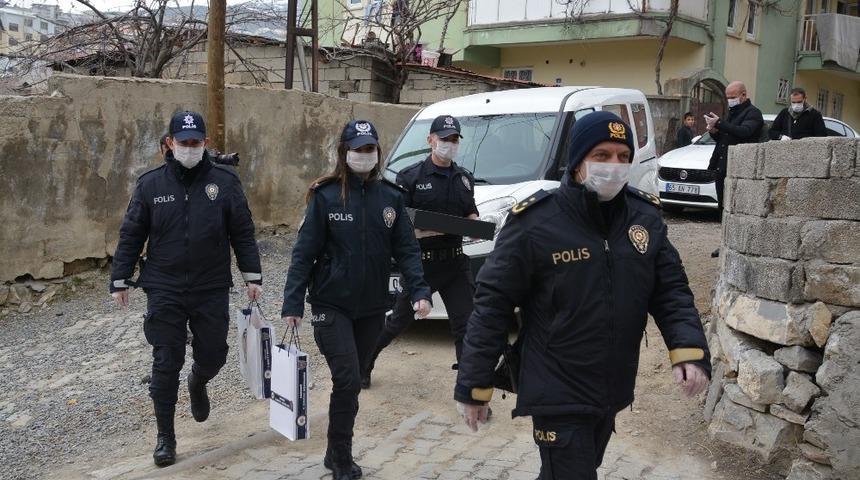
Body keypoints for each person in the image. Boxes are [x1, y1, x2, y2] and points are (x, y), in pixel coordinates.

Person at [453, 111, 711, 480]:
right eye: (601, 155)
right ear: (577, 162)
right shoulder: (535, 223)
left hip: (612, 385)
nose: (614, 166)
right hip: (555, 387)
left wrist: (688, 350)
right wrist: (473, 384)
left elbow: (671, 291)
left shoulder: (643, 218)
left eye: (623, 156)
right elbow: (492, 305)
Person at [281, 120, 433, 480]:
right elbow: (304, 254)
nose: (365, 155)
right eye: (358, 149)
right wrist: (292, 303)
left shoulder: (391, 198)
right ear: (344, 153)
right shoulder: (325, 197)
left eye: (370, 149)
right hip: (331, 305)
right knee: (348, 378)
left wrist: (420, 290)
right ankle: (342, 457)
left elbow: (407, 250)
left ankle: (333, 451)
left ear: (378, 152)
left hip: (372, 307)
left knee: (350, 382)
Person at [110, 111, 263, 467]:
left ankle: (198, 381)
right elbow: (131, 233)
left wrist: (252, 275)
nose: (190, 148)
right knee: (166, 360)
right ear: (170, 143)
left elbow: (242, 231)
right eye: (184, 142)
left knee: (215, 354)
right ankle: (166, 437)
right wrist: (120, 278)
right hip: (164, 285)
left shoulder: (225, 182)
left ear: (205, 143)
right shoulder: (151, 185)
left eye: (196, 142)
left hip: (211, 284)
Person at [363, 115, 478, 389]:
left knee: (467, 326)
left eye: (454, 139)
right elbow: (397, 225)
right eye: (444, 139)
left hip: (455, 263)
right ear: (430, 140)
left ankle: (469, 387)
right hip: (422, 265)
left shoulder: (464, 178)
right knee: (397, 322)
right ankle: (364, 363)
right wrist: (431, 230)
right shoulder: (410, 177)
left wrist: (476, 226)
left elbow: (470, 212)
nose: (449, 144)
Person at [705, 81, 763, 212]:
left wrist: (719, 123)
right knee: (722, 206)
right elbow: (724, 139)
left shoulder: (753, 113)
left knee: (735, 207)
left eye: (733, 97)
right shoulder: (732, 113)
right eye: (728, 98)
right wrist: (714, 131)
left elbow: (745, 132)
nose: (730, 101)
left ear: (743, 95)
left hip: (739, 166)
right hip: (722, 166)